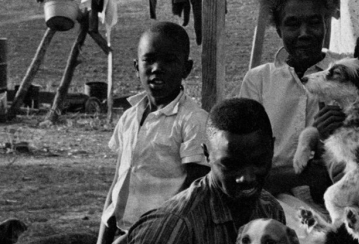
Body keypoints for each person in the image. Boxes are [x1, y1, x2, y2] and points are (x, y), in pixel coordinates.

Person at [97, 22, 208, 244]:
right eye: (149, 60)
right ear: (136, 66)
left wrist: (145, 234)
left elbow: (194, 191)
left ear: (186, 68)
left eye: (169, 60)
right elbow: (118, 181)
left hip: (167, 234)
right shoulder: (129, 118)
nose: (158, 68)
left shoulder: (193, 120)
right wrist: (103, 239)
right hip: (122, 233)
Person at [236, 0, 343, 197]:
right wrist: (303, 175)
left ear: (326, 23)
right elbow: (246, 167)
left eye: (314, 23)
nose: (304, 34)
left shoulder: (346, 71)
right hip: (274, 202)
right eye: (293, 24)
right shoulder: (259, 81)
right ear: (279, 30)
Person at [122, 98, 284, 244]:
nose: (246, 178)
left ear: (272, 149)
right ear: (206, 154)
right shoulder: (176, 226)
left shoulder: (269, 210)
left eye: (258, 162)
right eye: (231, 165)